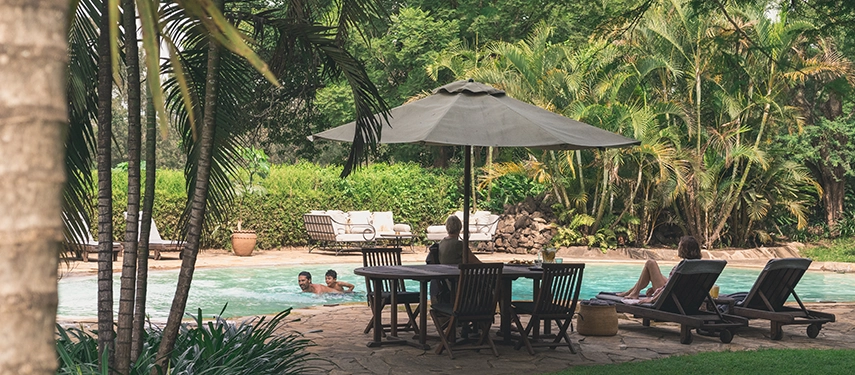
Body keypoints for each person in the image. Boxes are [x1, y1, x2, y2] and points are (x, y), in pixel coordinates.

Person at [617, 236, 701, 303]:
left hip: (669, 299)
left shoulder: (681, 267)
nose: (678, 248)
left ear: (684, 249)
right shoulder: (699, 267)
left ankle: (634, 292)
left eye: (679, 246)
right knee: (656, 273)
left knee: (651, 263)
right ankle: (632, 291)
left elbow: (668, 288)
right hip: (684, 299)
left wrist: (652, 299)